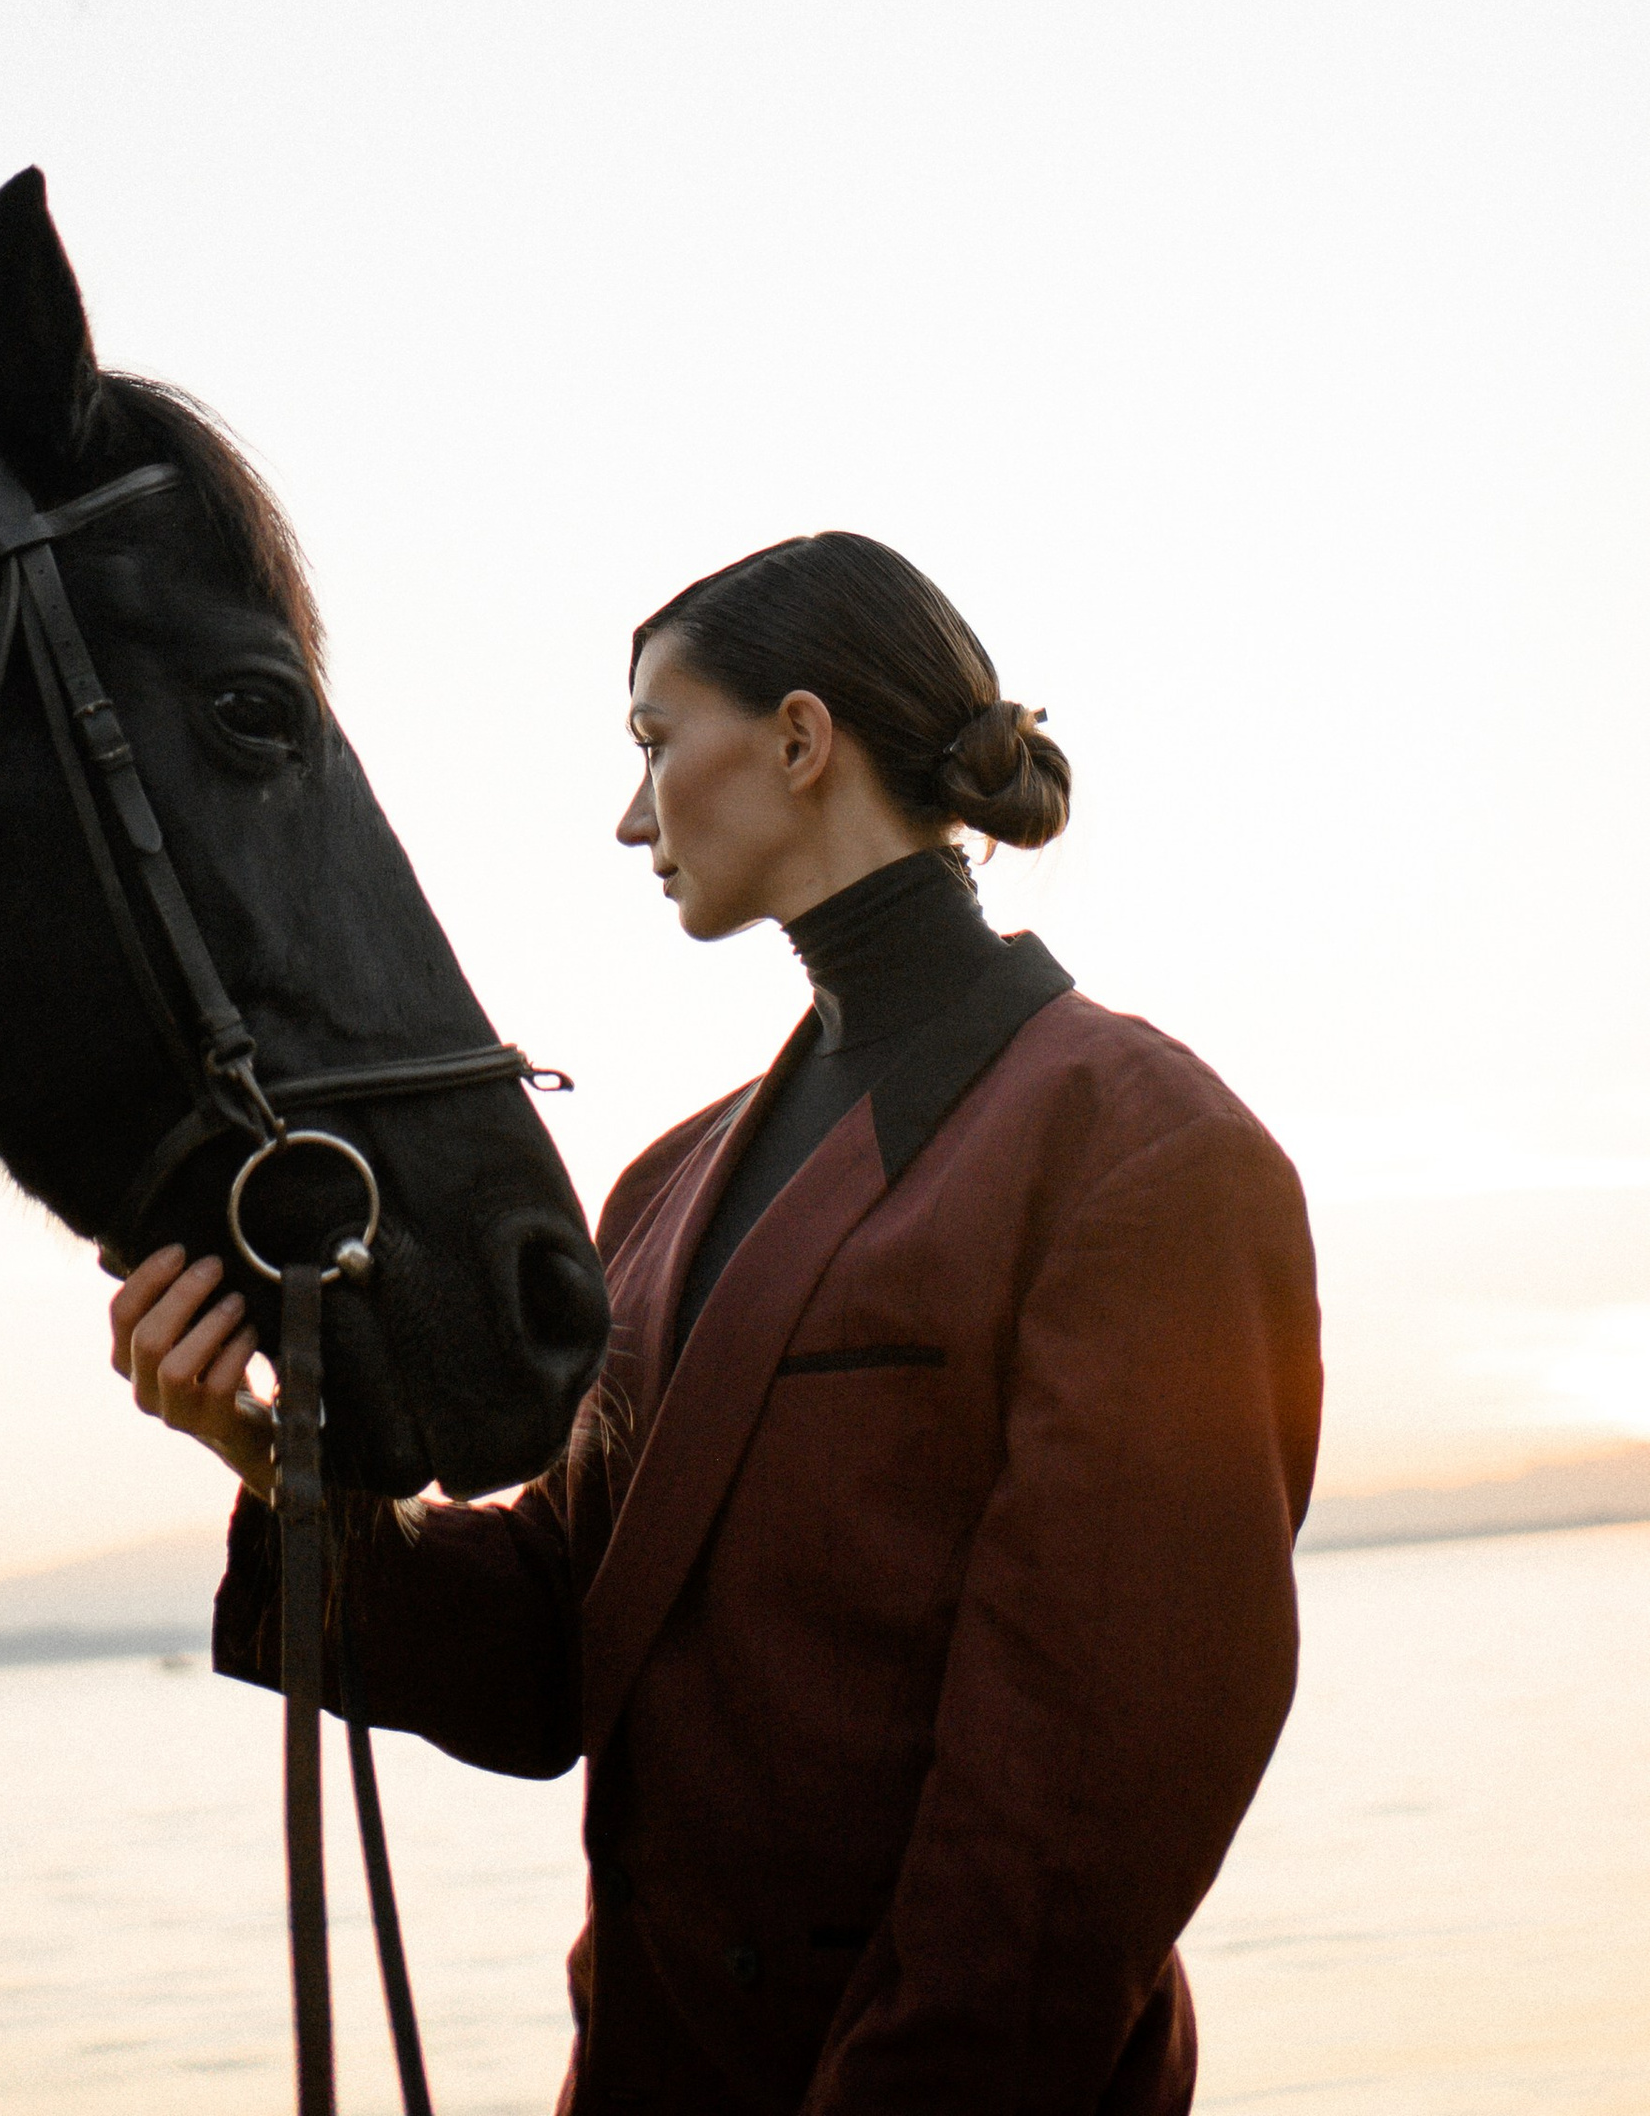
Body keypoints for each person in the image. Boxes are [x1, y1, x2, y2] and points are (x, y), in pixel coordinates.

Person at [107, 530, 1322, 2114]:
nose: (632, 817)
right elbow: (557, 1649)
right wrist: (282, 1460)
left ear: (802, 740)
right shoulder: (668, 1184)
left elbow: (1085, 1804)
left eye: (655, 741)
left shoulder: (1140, 1151)